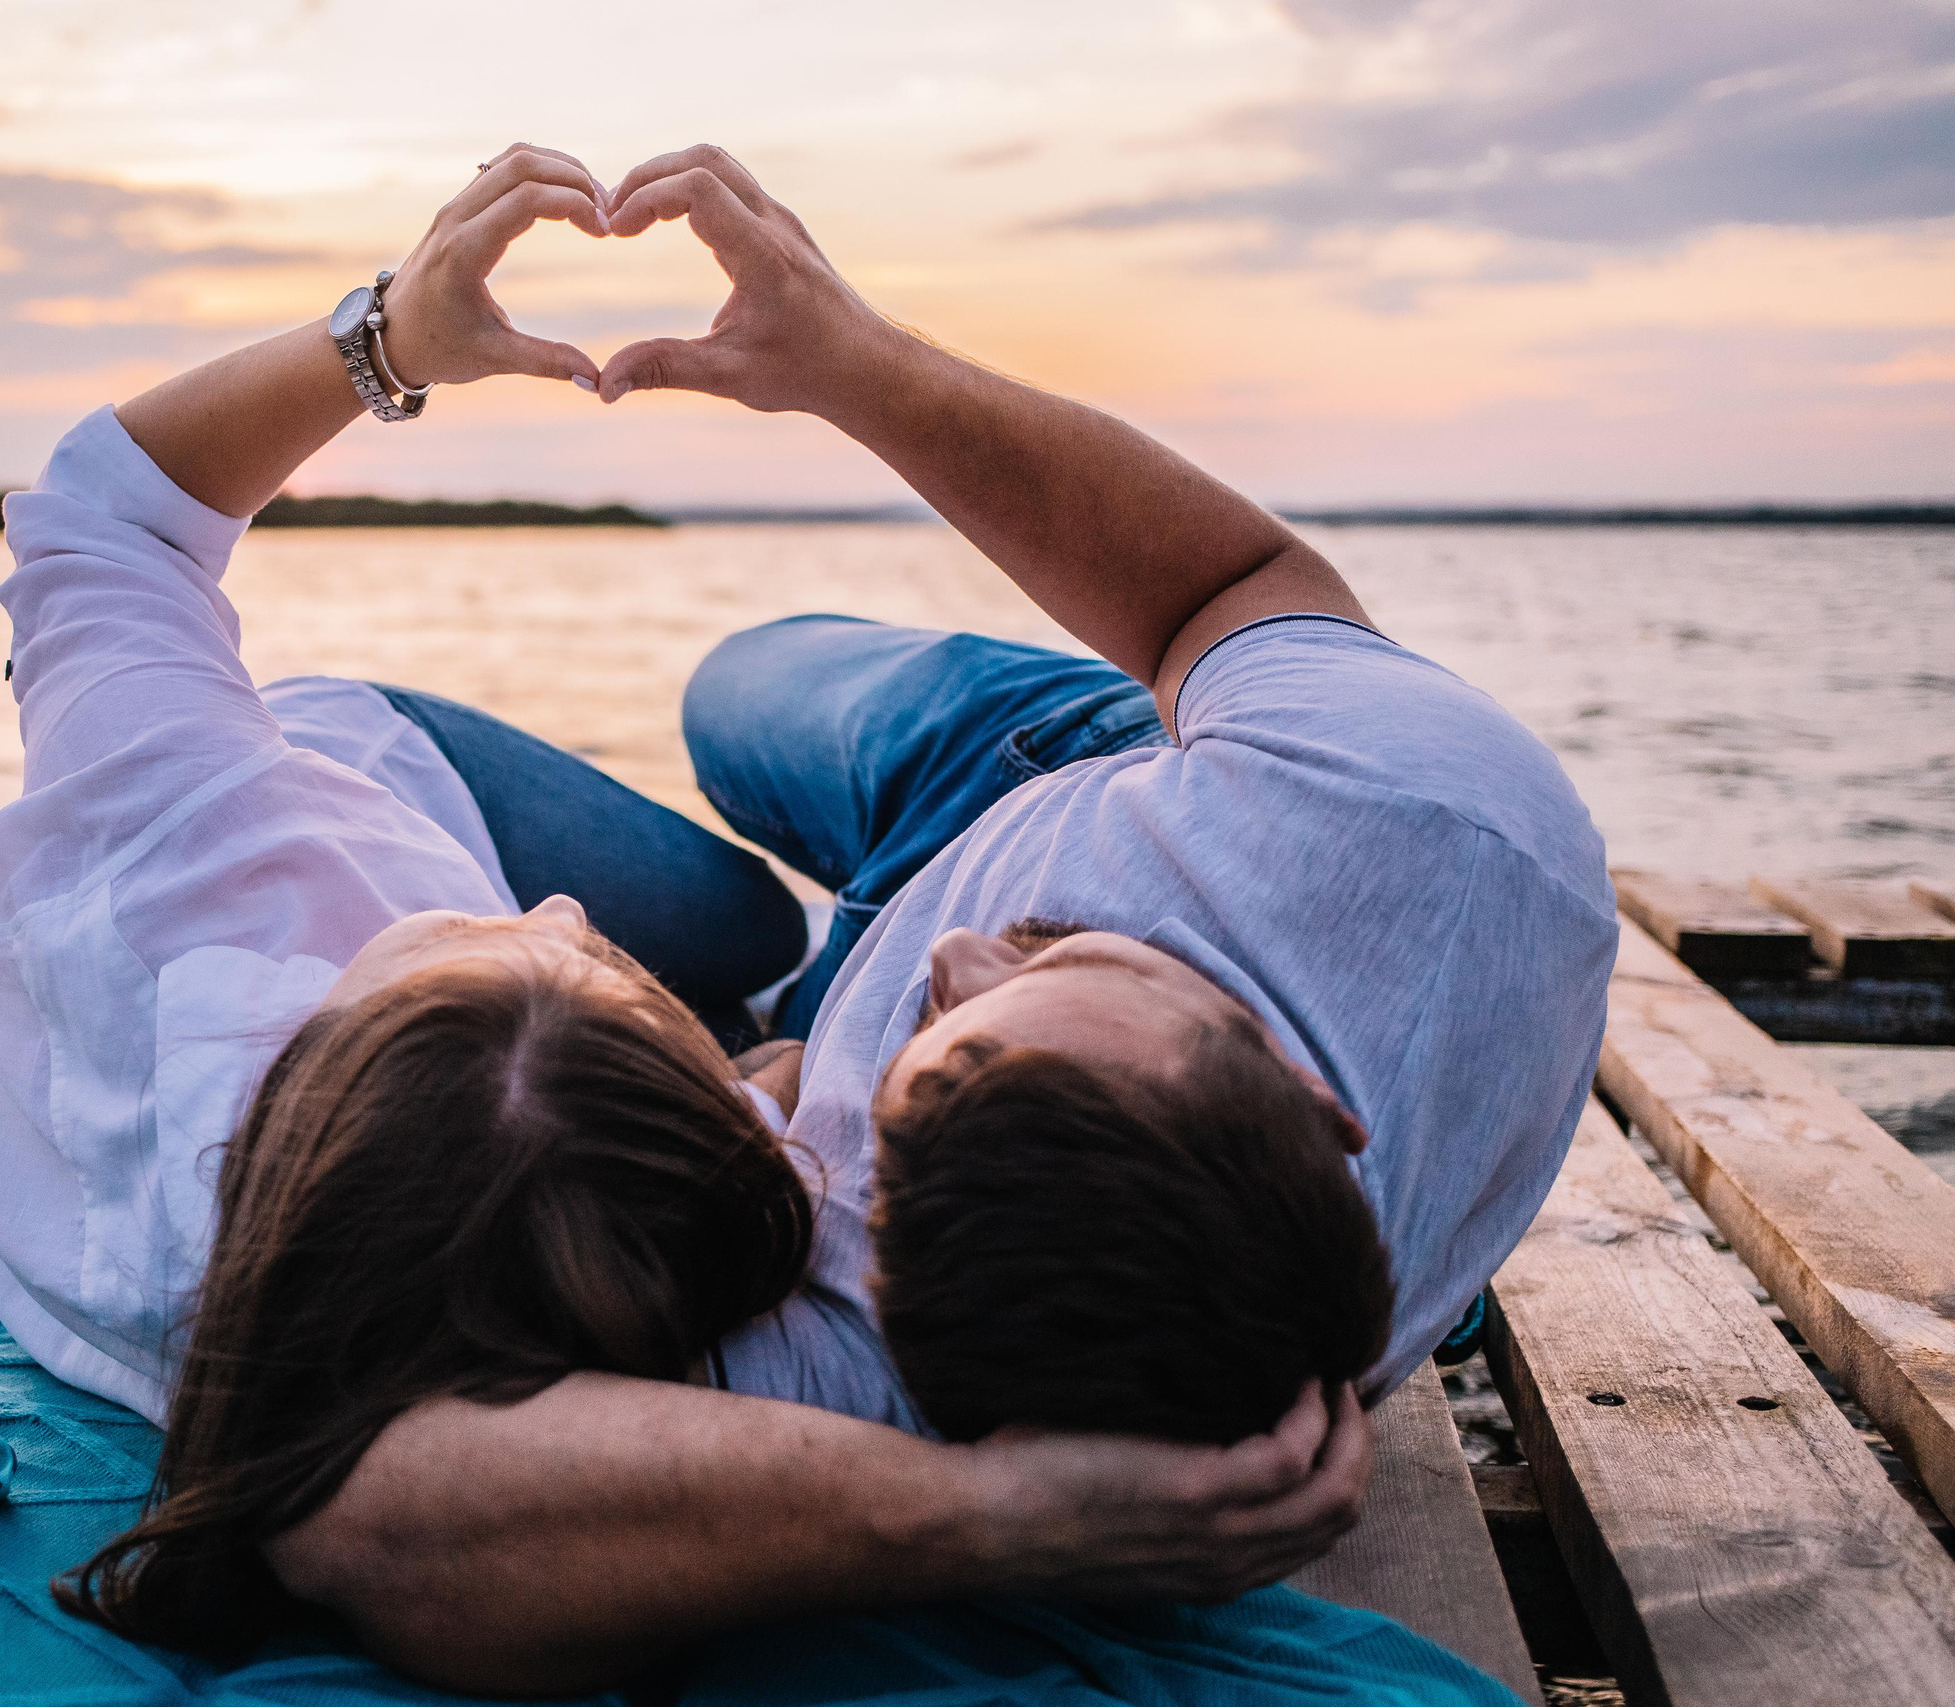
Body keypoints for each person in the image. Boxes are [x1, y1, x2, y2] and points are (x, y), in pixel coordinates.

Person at [264, 143, 1614, 1689]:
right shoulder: (1435, 810)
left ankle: (771, 977)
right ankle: (788, 979)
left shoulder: (890, 1360)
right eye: (1071, 958)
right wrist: (851, 363)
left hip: (945, 964)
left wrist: (977, 1516)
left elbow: (348, 1514)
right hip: (1075, 758)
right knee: (737, 692)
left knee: (322, 729)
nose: (967, 946)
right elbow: (1220, 588)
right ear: (1313, 1101)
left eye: (934, 1050)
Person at [0, 144, 827, 1651]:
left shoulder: (189, 847)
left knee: (760, 931)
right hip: (454, 908)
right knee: (774, 938)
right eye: (599, 981)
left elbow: (107, 514)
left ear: (316, 1049)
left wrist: (387, 342)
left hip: (360, 752)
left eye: (486, 951)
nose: (557, 918)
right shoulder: (628, 1240)